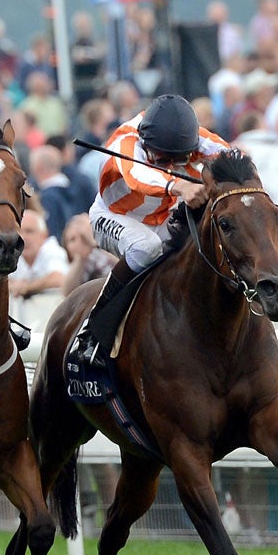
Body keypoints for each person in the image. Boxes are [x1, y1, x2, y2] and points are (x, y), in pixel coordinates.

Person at [71, 93, 226, 368]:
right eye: (163, 159)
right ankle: (93, 332)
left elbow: (231, 156)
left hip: (160, 219)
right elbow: (137, 175)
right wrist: (179, 185)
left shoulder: (189, 137)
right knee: (146, 248)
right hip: (113, 216)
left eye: (177, 159)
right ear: (146, 142)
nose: (170, 165)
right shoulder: (125, 141)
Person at [60, 213, 117, 297]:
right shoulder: (71, 267)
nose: (80, 242)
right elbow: (66, 292)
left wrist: (96, 242)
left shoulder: (106, 249)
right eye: (72, 239)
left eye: (83, 237)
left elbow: (124, 265)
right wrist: (80, 258)